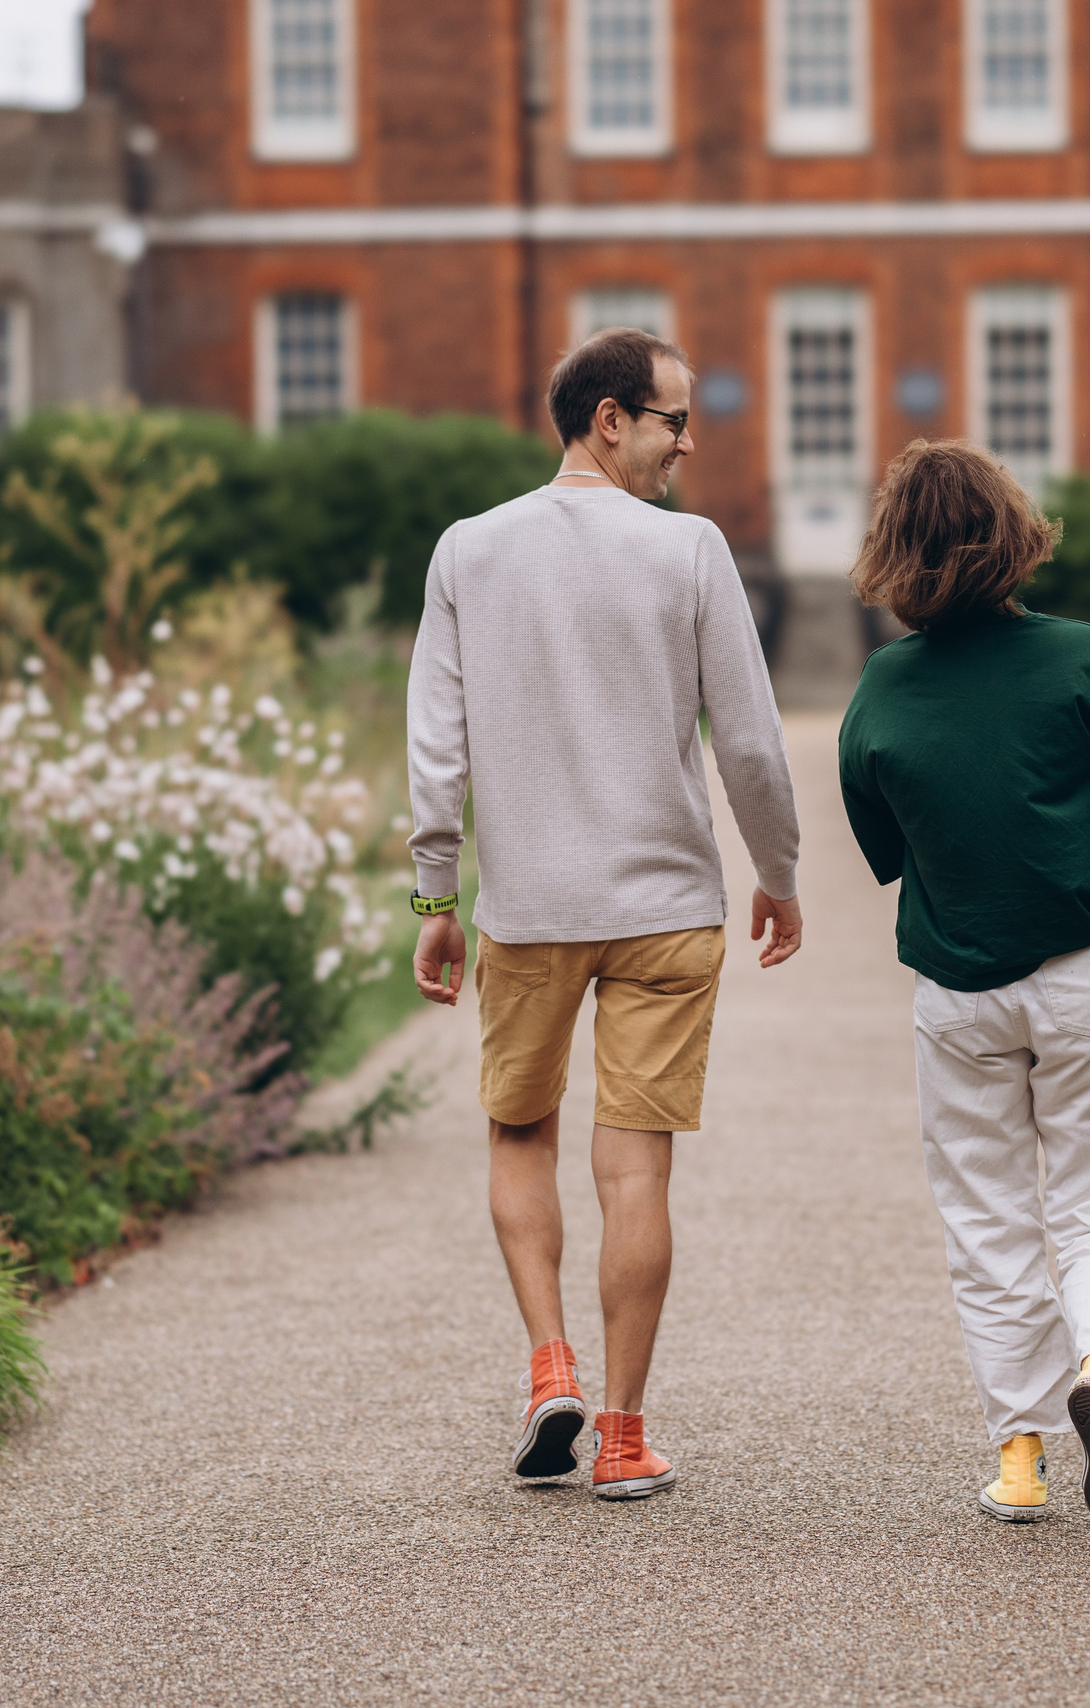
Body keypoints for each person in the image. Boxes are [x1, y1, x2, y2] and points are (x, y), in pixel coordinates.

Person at [406, 327, 804, 1502]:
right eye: (674, 419)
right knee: (638, 1172)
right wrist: (778, 871)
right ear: (609, 419)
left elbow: (437, 745)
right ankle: (622, 1436)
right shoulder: (689, 552)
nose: (688, 442)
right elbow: (749, 742)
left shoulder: (469, 551)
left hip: (527, 905)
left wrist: (437, 891)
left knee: (519, 1133)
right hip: (666, 907)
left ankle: (549, 1371)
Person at [836, 441, 1090, 1535]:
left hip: (957, 993)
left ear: (893, 556)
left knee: (987, 1222)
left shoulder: (880, 687)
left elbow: (887, 839)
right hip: (1084, 978)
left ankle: (1019, 1459)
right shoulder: (1080, 658)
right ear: (1013, 537)